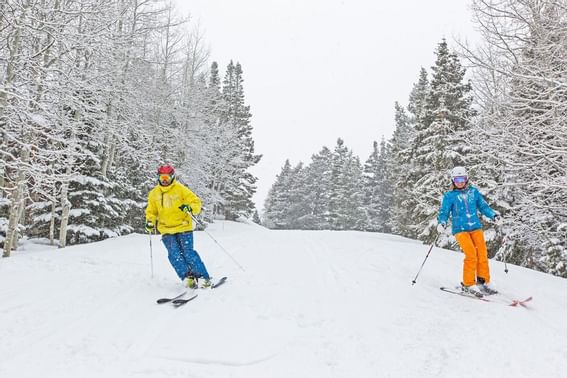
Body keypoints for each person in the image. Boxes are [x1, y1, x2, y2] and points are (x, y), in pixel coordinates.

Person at [437, 166, 501, 296]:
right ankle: (468, 283)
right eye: (457, 179)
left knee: (482, 253)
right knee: (471, 254)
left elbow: (483, 206)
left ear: (466, 179)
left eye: (462, 179)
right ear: (453, 180)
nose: (460, 182)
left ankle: (483, 280)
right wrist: (442, 222)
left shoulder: (473, 192)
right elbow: (444, 212)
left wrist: (493, 215)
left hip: (475, 227)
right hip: (460, 230)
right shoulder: (450, 196)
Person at [145, 164, 212, 288]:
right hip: (166, 229)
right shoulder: (154, 193)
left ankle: (203, 278)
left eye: (167, 177)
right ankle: (188, 277)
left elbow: (196, 202)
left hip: (183, 227)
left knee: (188, 253)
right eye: (162, 177)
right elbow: (151, 211)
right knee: (174, 255)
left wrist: (189, 208)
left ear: (172, 177)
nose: (164, 180)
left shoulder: (180, 189)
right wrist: (150, 221)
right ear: (158, 177)